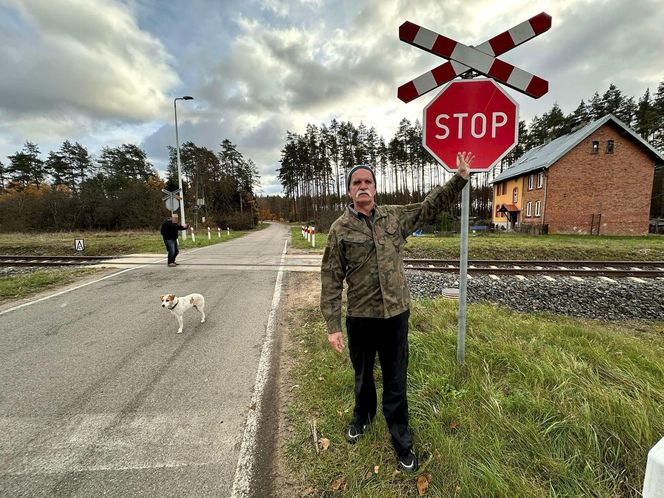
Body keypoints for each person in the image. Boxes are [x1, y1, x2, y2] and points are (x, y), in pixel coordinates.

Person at [320, 152, 474, 472]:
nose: (363, 187)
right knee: (363, 377)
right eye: (356, 183)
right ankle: (362, 418)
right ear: (349, 191)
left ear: (375, 188)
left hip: (395, 315)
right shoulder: (340, 229)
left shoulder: (393, 218)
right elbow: (331, 278)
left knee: (395, 380)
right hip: (361, 317)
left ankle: (400, 437)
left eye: (368, 182)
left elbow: (429, 206)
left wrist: (459, 178)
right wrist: (333, 324)